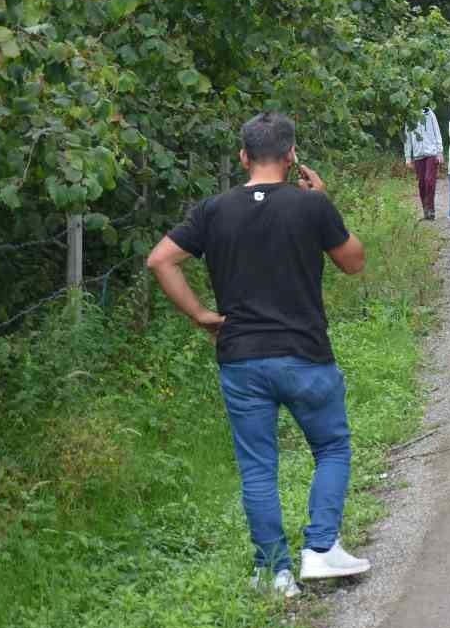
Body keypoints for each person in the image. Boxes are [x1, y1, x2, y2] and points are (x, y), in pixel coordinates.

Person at [145, 112, 371, 598]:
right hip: (305, 354)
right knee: (331, 448)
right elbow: (353, 263)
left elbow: (160, 260)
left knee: (257, 468)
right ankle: (321, 548)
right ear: (292, 157)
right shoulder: (311, 207)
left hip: (241, 357)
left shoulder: (213, 210)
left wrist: (201, 315)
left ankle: (274, 572)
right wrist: (324, 204)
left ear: (243, 156)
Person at [403, 104, 443, 220]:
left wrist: (439, 151)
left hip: (431, 153)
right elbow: (407, 138)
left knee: (429, 180)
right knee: (421, 183)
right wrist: (408, 158)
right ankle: (425, 209)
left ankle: (431, 209)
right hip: (418, 154)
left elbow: (437, 131)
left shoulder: (429, 113)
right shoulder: (409, 116)